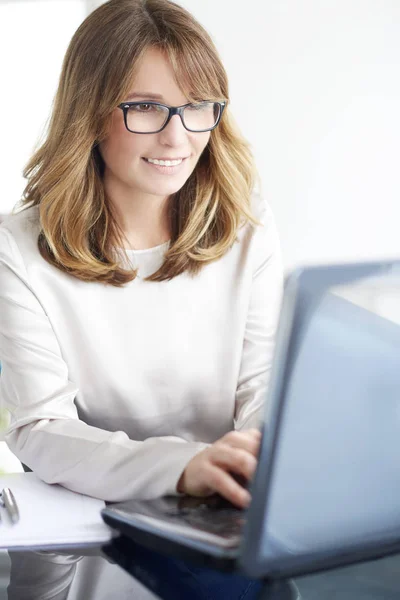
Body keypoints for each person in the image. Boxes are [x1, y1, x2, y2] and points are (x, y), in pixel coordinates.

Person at [0, 0, 283, 597]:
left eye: (197, 107)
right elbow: (40, 429)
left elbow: (261, 393)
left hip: (224, 529)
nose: (178, 137)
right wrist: (183, 467)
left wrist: (262, 470)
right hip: (86, 548)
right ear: (92, 114)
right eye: (147, 108)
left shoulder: (248, 226)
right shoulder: (17, 248)